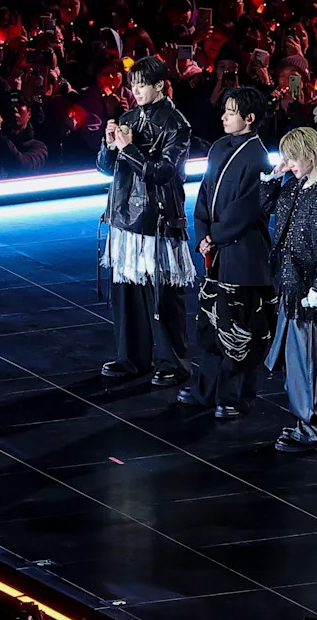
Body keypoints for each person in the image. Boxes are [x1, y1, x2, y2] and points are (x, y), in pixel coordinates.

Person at [176, 86, 276, 418]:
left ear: (249, 118)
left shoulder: (258, 157)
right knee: (209, 322)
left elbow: (245, 211)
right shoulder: (219, 147)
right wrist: (203, 232)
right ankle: (204, 388)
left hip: (242, 255)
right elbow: (204, 195)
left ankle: (234, 396)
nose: (223, 117)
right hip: (217, 251)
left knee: (239, 328)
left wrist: (214, 236)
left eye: (230, 112)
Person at [97, 56, 195, 386]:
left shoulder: (176, 123)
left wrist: (128, 149)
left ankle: (174, 361)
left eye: (142, 84)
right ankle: (132, 357)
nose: (135, 90)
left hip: (159, 216)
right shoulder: (127, 116)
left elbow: (162, 172)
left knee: (165, 293)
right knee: (125, 289)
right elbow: (105, 168)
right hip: (125, 214)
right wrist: (109, 145)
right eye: (133, 84)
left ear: (159, 86)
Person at [261, 127, 317, 452]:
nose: (290, 163)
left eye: (293, 157)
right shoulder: (295, 185)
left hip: (311, 292)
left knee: (310, 361)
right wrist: (273, 176)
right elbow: (263, 206)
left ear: (310, 155)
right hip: (290, 284)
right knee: (299, 361)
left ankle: (315, 428)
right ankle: (309, 422)